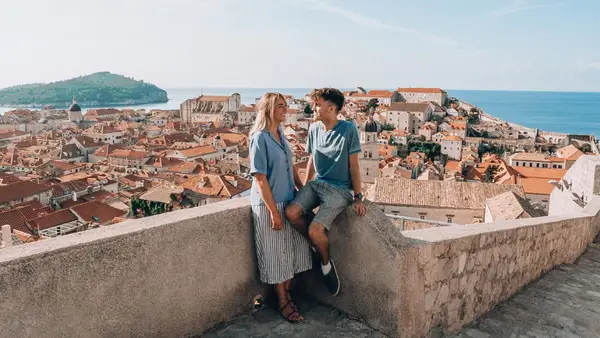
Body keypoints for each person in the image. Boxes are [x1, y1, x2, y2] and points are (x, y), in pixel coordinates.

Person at [285, 88, 366, 297]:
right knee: (291, 213)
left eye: (317, 104)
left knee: (315, 230)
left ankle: (326, 264)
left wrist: (358, 196)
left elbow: (354, 166)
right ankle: (316, 246)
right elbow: (312, 159)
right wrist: (305, 185)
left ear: (331, 108)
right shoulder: (314, 129)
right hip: (317, 183)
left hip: (339, 190)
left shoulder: (348, 130)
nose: (313, 108)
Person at [249, 92, 312, 323]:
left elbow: (291, 166)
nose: (286, 111)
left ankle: (286, 293)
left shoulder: (281, 134)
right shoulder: (259, 137)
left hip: (289, 200)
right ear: (268, 110)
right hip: (270, 205)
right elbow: (260, 178)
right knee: (275, 255)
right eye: (280, 107)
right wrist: (273, 212)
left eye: (286, 107)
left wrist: (302, 190)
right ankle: (282, 301)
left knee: (292, 251)